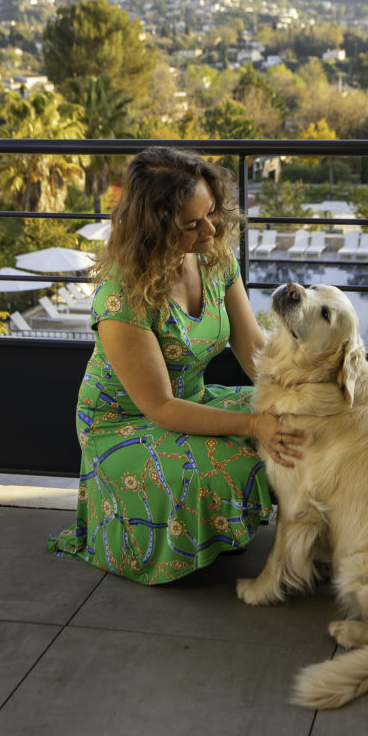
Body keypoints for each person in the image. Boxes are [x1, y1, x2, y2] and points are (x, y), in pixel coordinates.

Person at [48, 146, 303, 584]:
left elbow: (254, 348)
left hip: (194, 398)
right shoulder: (122, 294)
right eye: (191, 224)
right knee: (234, 459)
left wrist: (295, 390)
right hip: (125, 422)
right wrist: (252, 424)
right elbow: (160, 408)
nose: (211, 228)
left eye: (211, 212)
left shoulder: (213, 255)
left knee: (297, 422)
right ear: (155, 229)